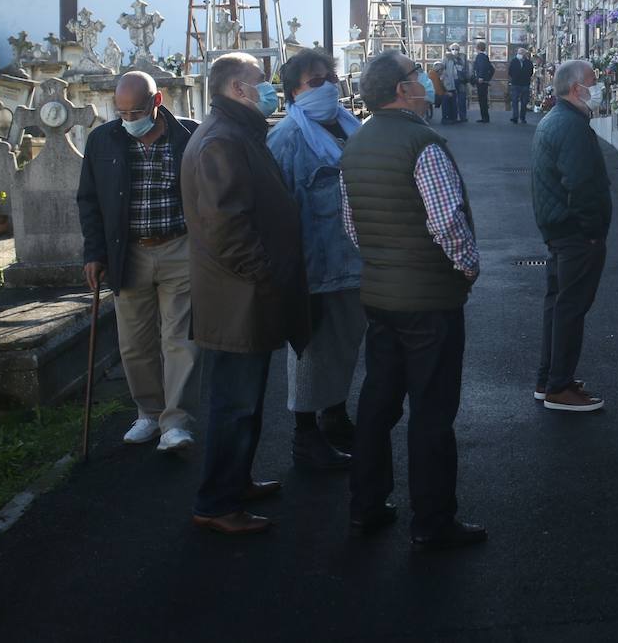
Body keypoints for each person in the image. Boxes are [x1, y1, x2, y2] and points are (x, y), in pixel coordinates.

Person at [339, 50, 486, 549]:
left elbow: (353, 226)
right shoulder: (423, 144)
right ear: (402, 90)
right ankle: (432, 521)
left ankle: (367, 505)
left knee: (378, 403)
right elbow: (447, 221)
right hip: (430, 299)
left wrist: (384, 262)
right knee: (432, 411)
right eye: (416, 73)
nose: (426, 78)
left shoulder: (355, 145)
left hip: (380, 295)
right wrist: (467, 267)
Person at [182, 53, 310, 535]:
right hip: (237, 297)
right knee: (234, 404)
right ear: (238, 89)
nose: (271, 89)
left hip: (241, 294)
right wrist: (266, 274)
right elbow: (226, 226)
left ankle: (235, 482)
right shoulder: (222, 141)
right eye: (262, 82)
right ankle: (217, 503)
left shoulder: (235, 133)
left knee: (245, 401)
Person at [76, 71, 199, 452]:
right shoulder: (102, 140)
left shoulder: (189, 135)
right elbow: (89, 200)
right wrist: (94, 253)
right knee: (134, 343)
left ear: (157, 101)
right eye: (122, 113)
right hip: (127, 251)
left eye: (138, 112)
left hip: (179, 247)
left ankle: (176, 423)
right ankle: (149, 413)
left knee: (180, 341)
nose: (130, 120)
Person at [267, 49, 365, 472]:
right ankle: (304, 437)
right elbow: (277, 210)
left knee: (344, 345)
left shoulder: (350, 127)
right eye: (314, 81)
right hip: (315, 268)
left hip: (353, 263)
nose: (327, 86)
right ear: (293, 92)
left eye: (330, 78)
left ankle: (335, 415)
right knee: (310, 353)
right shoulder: (288, 138)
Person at [530, 60, 612, 413]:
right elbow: (580, 184)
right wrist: (593, 231)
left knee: (558, 304)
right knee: (571, 308)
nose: (599, 88)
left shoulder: (556, 119)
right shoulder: (571, 126)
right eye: (594, 82)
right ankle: (559, 387)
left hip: (558, 229)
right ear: (577, 89)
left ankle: (548, 377)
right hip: (576, 233)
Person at [442, 45, 470, 123]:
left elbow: (467, 68)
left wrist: (467, 77)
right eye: (453, 49)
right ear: (450, 50)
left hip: (461, 81)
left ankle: (462, 117)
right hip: (451, 81)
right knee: (452, 99)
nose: (455, 51)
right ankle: (453, 117)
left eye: (456, 49)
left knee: (462, 99)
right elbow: (442, 68)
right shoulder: (447, 58)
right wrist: (445, 78)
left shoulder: (462, 58)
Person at [507, 47, 533, 124]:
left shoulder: (528, 62)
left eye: (521, 53)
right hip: (516, 83)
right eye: (519, 53)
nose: (520, 55)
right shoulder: (514, 61)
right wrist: (514, 77)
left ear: (525, 54)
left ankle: (522, 117)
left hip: (525, 84)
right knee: (514, 101)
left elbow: (531, 72)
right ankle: (515, 117)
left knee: (524, 102)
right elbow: (510, 71)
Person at [472, 42, 494, 123]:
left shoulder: (480, 57)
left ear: (478, 48)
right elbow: (492, 69)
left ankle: (484, 117)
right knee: (484, 99)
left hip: (481, 81)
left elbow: (481, 67)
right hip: (485, 81)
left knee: (482, 100)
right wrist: (488, 78)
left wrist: (481, 77)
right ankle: (485, 117)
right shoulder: (485, 56)